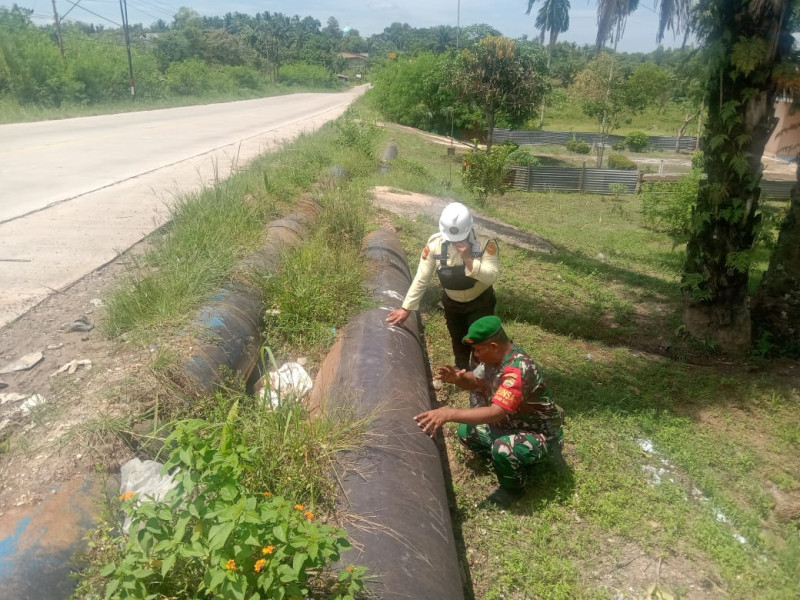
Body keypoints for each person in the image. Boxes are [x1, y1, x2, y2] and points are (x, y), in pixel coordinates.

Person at [413, 316, 565, 507]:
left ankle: (513, 489)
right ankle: (509, 460)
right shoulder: (496, 359)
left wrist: (449, 413)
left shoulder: (517, 370)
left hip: (539, 433)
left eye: (477, 350)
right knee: (466, 432)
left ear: (493, 346)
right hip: (512, 424)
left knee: (503, 448)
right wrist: (457, 379)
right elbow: (477, 381)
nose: (475, 355)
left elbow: (496, 412)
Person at [386, 202, 499, 373]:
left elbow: (491, 276)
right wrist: (406, 308)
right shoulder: (435, 245)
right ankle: (462, 369)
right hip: (452, 303)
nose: (455, 243)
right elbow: (421, 278)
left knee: (480, 339)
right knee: (458, 337)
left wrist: (468, 258)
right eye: (451, 239)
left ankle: (480, 378)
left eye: (459, 238)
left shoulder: (485, 244)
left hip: (480, 301)